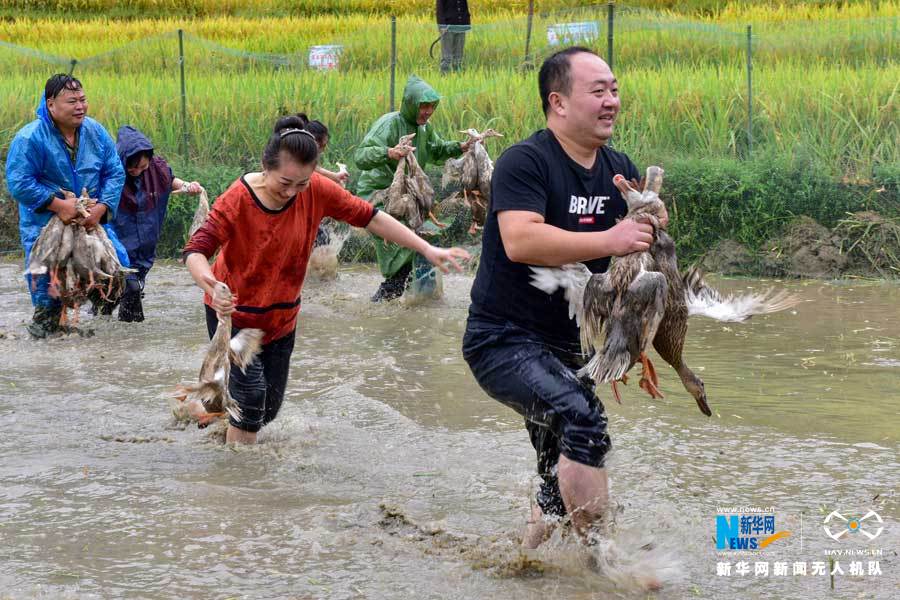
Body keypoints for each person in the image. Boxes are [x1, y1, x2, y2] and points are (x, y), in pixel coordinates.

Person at [461, 47, 667, 562]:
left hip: (568, 344)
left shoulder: (619, 169)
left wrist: (650, 226)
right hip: (502, 340)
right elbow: (521, 241)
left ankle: (522, 560)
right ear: (558, 102)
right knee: (583, 419)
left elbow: (629, 252)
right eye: (598, 91)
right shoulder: (524, 162)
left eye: (615, 90)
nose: (612, 101)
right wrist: (611, 238)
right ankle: (606, 564)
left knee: (559, 457)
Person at [183, 115, 469, 445]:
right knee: (250, 401)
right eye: (284, 183)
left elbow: (371, 217)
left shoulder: (316, 189)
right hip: (235, 318)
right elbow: (196, 250)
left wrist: (427, 248)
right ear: (266, 167)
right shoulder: (238, 198)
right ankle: (240, 486)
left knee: (269, 410)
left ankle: (213, 406)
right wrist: (210, 284)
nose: (292, 193)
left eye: (301, 184)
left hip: (282, 319)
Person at [5, 73, 130, 338]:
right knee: (47, 293)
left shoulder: (95, 132)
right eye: (72, 101)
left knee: (118, 277)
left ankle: (90, 338)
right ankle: (48, 351)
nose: (80, 106)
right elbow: (19, 182)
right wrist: (59, 205)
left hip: (91, 221)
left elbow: (115, 172)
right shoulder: (30, 139)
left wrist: (101, 208)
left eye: (83, 100)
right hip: (45, 226)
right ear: (51, 104)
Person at [354, 74, 476, 302]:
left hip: (407, 196)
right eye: (424, 106)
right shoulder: (389, 123)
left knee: (422, 239)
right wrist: (389, 152)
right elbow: (361, 156)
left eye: (432, 106)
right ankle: (382, 303)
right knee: (404, 244)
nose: (428, 111)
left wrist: (461, 146)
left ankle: (412, 302)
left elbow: (437, 150)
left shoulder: (424, 128)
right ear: (410, 104)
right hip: (378, 195)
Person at [109, 125, 204, 322]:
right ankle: (130, 339)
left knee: (122, 296)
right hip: (119, 249)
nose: (137, 171)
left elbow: (169, 180)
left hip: (145, 246)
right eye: (132, 167)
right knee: (129, 289)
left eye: (142, 167)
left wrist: (188, 186)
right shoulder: (112, 174)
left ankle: (115, 333)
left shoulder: (156, 168)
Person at [436, 0, 471, 74]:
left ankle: (458, 77)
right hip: (447, 28)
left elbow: (465, 8)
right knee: (446, 58)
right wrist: (442, 25)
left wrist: (467, 23)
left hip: (461, 27)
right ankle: (444, 79)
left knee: (458, 57)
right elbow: (439, 9)